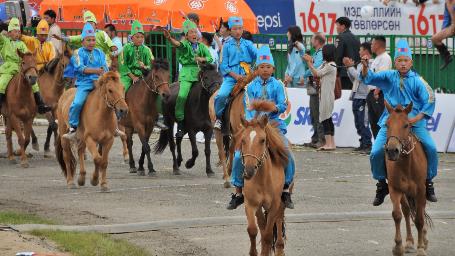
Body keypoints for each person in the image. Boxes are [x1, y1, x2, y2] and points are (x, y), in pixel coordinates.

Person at [360, 39, 438, 206]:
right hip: (390, 123)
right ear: (395, 62)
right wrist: (365, 67)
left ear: (411, 62)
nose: (403, 64)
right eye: (399, 61)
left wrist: (416, 118)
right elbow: (369, 78)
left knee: (431, 147)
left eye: (406, 60)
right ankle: (382, 184)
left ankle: (429, 181)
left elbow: (430, 98)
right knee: (375, 152)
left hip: (413, 123)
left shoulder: (418, 80)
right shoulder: (388, 76)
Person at [227, 45, 295, 210]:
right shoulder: (249, 87)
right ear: (257, 69)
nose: (265, 70)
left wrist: (272, 108)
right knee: (237, 156)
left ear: (273, 68)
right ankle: (238, 192)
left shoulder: (278, 85)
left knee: (286, 151)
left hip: (274, 124)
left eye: (268, 67)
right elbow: (249, 108)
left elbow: (283, 104)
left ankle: (286, 188)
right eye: (262, 67)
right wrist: (254, 123)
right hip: (255, 125)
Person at [163, 19, 213, 138]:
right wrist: (170, 39)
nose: (194, 34)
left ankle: (211, 118)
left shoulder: (201, 46)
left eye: (195, 32)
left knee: (211, 92)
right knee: (182, 95)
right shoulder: (184, 45)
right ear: (186, 35)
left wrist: (203, 59)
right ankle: (180, 123)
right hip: (186, 73)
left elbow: (210, 58)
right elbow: (177, 44)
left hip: (200, 74)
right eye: (191, 32)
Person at [62, 23, 109, 141]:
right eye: (88, 40)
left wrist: (102, 74)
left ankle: (114, 126)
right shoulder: (78, 53)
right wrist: (97, 71)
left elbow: (105, 68)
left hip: (100, 82)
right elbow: (80, 68)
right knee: (77, 103)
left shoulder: (100, 52)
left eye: (93, 40)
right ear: (82, 41)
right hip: (84, 83)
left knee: (112, 98)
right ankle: (73, 127)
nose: (92, 42)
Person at [213, 16, 257, 130]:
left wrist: (257, 66)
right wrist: (236, 76)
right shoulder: (226, 46)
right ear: (230, 31)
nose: (238, 31)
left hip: (248, 77)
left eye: (240, 28)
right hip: (231, 78)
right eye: (235, 29)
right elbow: (223, 66)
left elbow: (258, 56)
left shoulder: (248, 44)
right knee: (221, 95)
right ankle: (219, 118)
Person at [0, 18, 51, 114]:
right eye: (15, 31)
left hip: (21, 68)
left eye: (19, 32)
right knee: (2, 83)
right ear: (9, 32)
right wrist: (2, 25)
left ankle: (40, 105)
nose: (17, 34)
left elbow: (27, 55)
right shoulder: (4, 41)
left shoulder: (22, 44)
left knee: (34, 84)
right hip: (8, 68)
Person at [304, 44, 337, 151]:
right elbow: (316, 69)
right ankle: (331, 143)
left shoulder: (331, 65)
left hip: (327, 95)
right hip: (323, 94)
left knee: (325, 118)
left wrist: (309, 63)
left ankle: (329, 143)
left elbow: (316, 73)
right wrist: (311, 62)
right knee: (328, 118)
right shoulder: (325, 64)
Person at [343, 42, 373, 153]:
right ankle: (362, 143)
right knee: (358, 122)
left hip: (364, 97)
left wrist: (350, 67)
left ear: (365, 51)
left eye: (360, 50)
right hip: (356, 96)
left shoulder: (370, 63)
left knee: (363, 121)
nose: (359, 52)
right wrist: (348, 68)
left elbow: (360, 77)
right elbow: (355, 80)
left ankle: (368, 145)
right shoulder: (360, 64)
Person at [303, 32, 325, 148]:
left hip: (317, 86)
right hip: (314, 86)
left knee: (317, 113)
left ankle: (320, 139)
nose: (311, 42)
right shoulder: (317, 53)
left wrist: (305, 73)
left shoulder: (320, 53)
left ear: (317, 41)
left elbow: (315, 68)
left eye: (312, 39)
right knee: (313, 113)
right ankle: (315, 138)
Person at [369, 36, 392, 139]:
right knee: (373, 122)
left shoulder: (385, 58)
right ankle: (377, 147)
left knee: (380, 121)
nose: (371, 46)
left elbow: (383, 76)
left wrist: (377, 91)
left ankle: (383, 147)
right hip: (372, 93)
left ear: (378, 45)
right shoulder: (377, 58)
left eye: (372, 44)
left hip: (379, 93)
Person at [334, 16, 360, 90]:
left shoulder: (340, 37)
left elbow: (338, 56)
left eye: (337, 25)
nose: (336, 28)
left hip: (343, 73)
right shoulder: (356, 38)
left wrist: (336, 72)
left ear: (343, 26)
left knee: (343, 98)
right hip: (355, 72)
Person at [431, 0, 454, 70]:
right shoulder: (447, 2)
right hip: (451, 26)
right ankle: (447, 57)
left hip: (452, 26)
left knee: (434, 38)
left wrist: (452, 27)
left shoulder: (451, 3)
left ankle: (447, 57)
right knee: (434, 39)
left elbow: (453, 20)